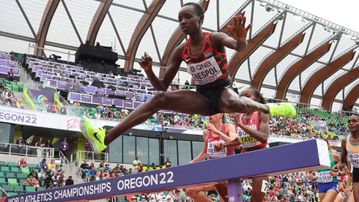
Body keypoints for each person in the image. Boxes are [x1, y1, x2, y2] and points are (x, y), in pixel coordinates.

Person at [80, 2, 296, 154]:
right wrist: (149, 71)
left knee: (232, 101)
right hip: (202, 96)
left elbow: (239, 46)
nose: (183, 22)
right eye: (179, 19)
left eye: (187, 17)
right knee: (159, 100)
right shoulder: (180, 51)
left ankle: (269, 108)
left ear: (200, 19)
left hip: (223, 90)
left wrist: (241, 41)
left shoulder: (216, 38)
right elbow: (162, 87)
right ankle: (104, 138)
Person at [215, 87, 270, 202]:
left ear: (258, 99)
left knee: (256, 198)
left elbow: (263, 137)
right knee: (220, 182)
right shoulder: (240, 116)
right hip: (245, 157)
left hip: (262, 158)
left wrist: (240, 125)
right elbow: (242, 140)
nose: (244, 98)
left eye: (248, 96)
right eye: (242, 96)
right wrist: (224, 145)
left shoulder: (262, 113)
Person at [186, 113, 237, 202]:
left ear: (221, 114)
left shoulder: (229, 127)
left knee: (225, 200)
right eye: (209, 113)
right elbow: (205, 152)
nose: (210, 115)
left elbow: (236, 143)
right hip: (213, 171)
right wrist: (191, 163)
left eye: (213, 113)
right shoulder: (206, 132)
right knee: (190, 190)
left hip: (228, 171)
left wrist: (218, 133)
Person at [340, 114, 359, 202]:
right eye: (349, 122)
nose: (351, 123)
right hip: (356, 171)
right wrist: (340, 165)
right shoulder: (344, 141)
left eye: (354, 121)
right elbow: (342, 160)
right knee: (356, 197)